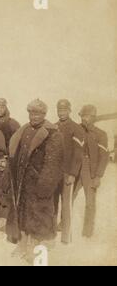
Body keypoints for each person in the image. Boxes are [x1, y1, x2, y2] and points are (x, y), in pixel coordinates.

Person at [6, 99, 64, 260]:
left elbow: (53, 163)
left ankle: (36, 249)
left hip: (39, 183)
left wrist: (45, 185)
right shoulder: (24, 131)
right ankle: (22, 245)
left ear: (44, 114)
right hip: (22, 182)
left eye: (38, 113)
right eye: (32, 113)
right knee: (22, 213)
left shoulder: (53, 134)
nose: (34, 116)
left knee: (39, 216)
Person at [73, 105, 109, 238]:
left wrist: (98, 176)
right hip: (76, 167)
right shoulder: (76, 130)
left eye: (87, 116)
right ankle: (64, 224)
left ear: (93, 118)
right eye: (82, 116)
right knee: (69, 196)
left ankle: (87, 232)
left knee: (90, 202)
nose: (84, 119)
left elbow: (104, 156)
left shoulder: (101, 134)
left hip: (90, 169)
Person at [54, 99, 84, 244]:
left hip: (68, 173)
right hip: (55, 173)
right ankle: (52, 231)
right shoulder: (54, 127)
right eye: (59, 110)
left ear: (70, 111)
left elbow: (78, 154)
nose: (61, 113)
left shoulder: (76, 128)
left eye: (64, 110)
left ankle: (66, 237)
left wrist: (73, 173)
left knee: (66, 205)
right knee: (53, 202)